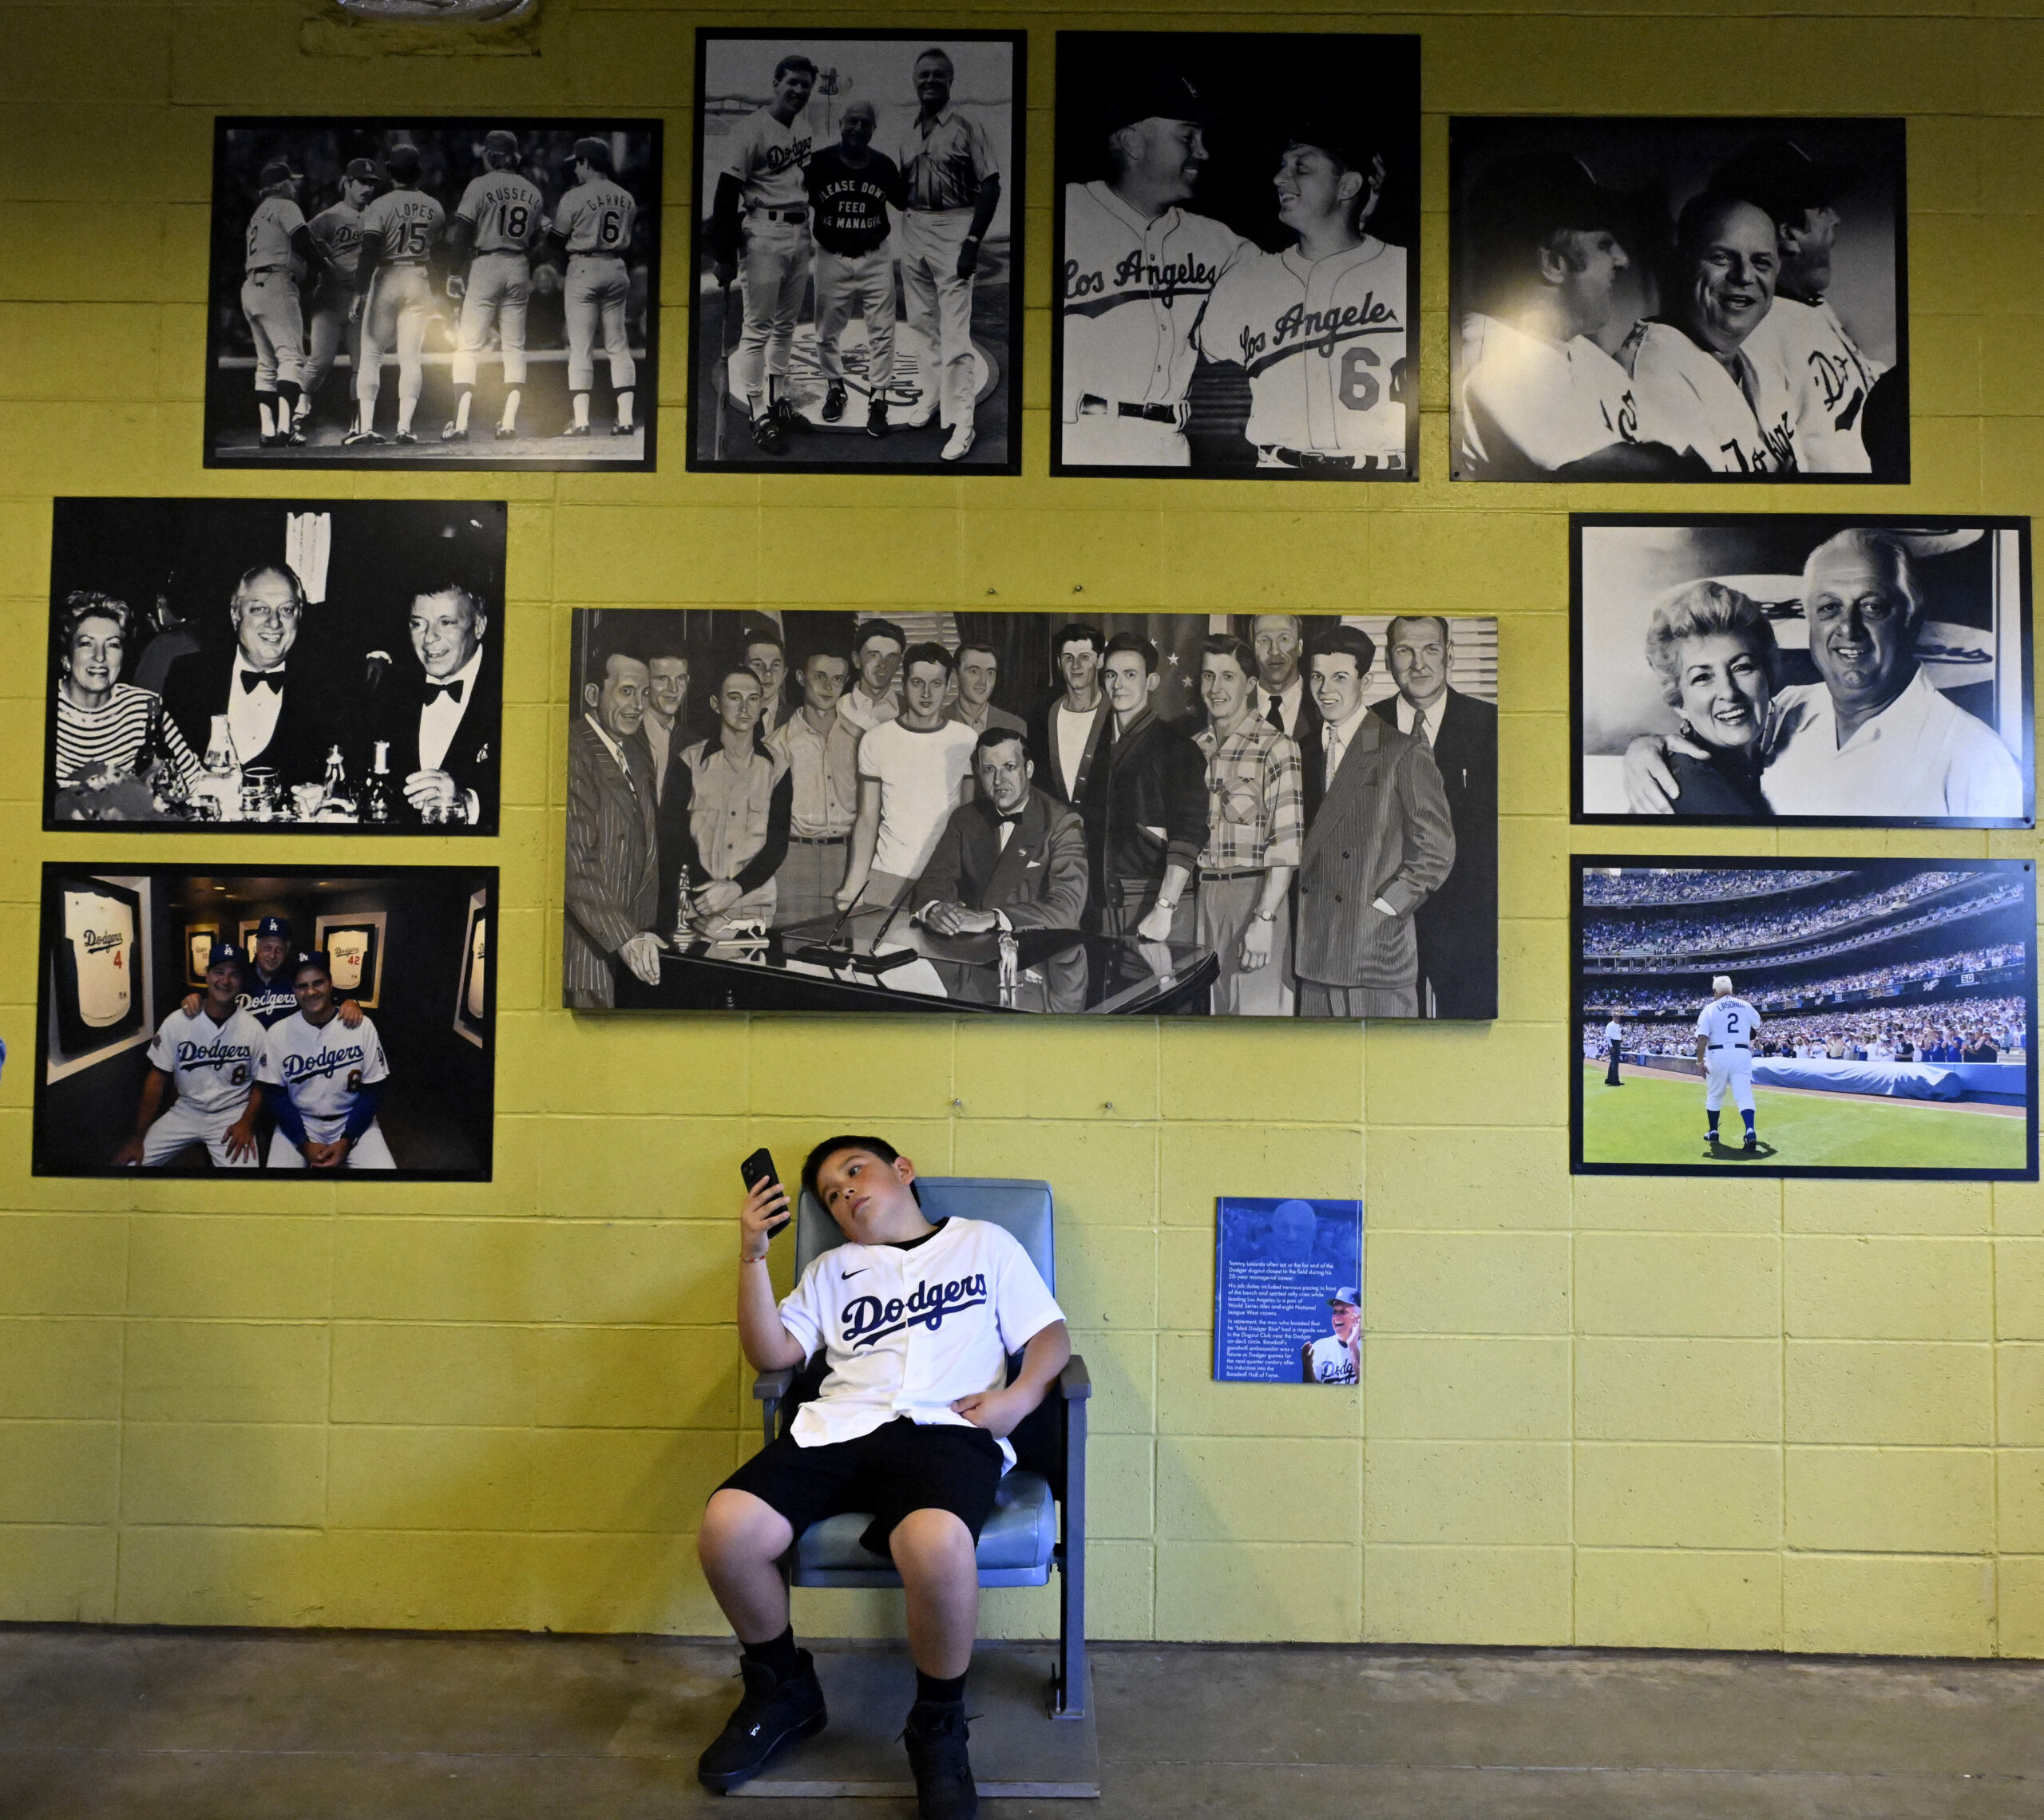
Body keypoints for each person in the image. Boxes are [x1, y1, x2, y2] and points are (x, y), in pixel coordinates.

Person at [696, 1135, 1069, 1815]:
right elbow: (771, 1351)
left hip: (946, 1430)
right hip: (838, 1426)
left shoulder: (984, 1244)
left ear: (903, 1170)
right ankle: (782, 1690)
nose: (846, 1194)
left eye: (855, 1172)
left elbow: (1050, 1338)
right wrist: (753, 1254)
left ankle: (937, 1726)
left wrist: (1016, 1400)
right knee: (727, 1529)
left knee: (934, 1544)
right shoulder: (832, 1270)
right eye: (832, 1195)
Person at [1626, 531, 2026, 819]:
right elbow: (1708, 729)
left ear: (1911, 619)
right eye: (1829, 608)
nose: (1848, 630)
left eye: (1872, 607)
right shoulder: (1785, 710)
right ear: (1810, 622)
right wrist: (1645, 748)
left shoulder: (1976, 758)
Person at [1458, 153, 1701, 481]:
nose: (1623, 259)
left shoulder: (1578, 352)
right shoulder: (1494, 357)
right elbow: (1619, 474)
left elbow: (1689, 454)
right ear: (1554, 265)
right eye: (1604, 245)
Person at [1060, 70, 1257, 466]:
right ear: (1133, 143)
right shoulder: (1067, 214)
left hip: (1168, 445)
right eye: (1187, 137)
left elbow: (1295, 286)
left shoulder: (1219, 243)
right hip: (1075, 438)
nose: (1202, 152)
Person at [1198, 123, 1409, 473]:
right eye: (1283, 165)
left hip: (1387, 472)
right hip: (1279, 471)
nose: (1280, 178)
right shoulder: (1246, 280)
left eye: (1301, 167)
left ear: (1348, 186)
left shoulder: (1403, 270)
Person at [1293, 625, 1455, 1018]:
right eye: (1317, 677)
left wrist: (1385, 909)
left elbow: (1436, 850)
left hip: (1374, 955)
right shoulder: (1301, 752)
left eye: (1339, 678)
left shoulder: (1402, 751)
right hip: (1314, 956)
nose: (1325, 690)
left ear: (1365, 680)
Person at [1709, 136, 1888, 476]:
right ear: (1789, 235)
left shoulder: (1807, 310)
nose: (1836, 219)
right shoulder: (1758, 332)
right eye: (1822, 208)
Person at [1369, 616, 1499, 1017]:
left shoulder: (1491, 724)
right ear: (1389, 659)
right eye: (1405, 651)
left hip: (1468, 922)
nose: (1418, 664)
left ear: (1450, 655)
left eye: (1431, 650)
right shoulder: (1365, 727)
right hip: (1384, 917)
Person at [1618, 193, 1800, 475]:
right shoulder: (1653, 370)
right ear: (1682, 262)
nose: (1744, 276)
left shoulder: (1759, 361)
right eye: (1721, 258)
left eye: (1761, 262)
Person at [892, 46, 1004, 462]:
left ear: (951, 80)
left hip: (956, 225)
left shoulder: (968, 122)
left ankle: (964, 423)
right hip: (914, 225)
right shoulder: (907, 128)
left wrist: (972, 243)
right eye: (924, 75)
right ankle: (931, 396)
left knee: (956, 333)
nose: (930, 81)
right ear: (915, 80)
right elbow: (900, 185)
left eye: (939, 75)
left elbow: (991, 185)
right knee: (921, 325)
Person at [711, 54, 818, 453]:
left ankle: (778, 401)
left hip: (798, 230)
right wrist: (723, 254)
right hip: (763, 233)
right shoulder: (750, 129)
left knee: (786, 327)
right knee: (757, 329)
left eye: (805, 84)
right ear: (776, 83)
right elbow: (724, 195)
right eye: (792, 82)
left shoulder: (804, 127)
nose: (799, 90)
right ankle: (759, 411)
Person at [1193, 634, 1302, 1015]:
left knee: (1258, 1024)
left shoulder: (1277, 747)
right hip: (1203, 900)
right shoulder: (1194, 748)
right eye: (1208, 677)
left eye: (1228, 677)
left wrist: (1265, 919)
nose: (1216, 688)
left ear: (1251, 685)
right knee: (1207, 1019)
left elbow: (1287, 847)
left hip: (1255, 897)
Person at [161, 563, 333, 789]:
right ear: (235, 614)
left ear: (299, 616)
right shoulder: (189, 676)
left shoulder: (329, 689)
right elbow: (164, 772)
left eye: (286, 610)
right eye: (259, 608)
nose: (274, 622)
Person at [838, 643, 979, 913]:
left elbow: (966, 820)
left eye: (936, 683)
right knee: (878, 953)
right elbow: (868, 818)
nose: (926, 693)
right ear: (904, 683)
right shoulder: (876, 740)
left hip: (941, 880)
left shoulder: (966, 740)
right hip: (886, 876)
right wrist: (853, 885)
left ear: (949, 685)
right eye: (917, 682)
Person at [913, 728, 1089, 934]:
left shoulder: (1063, 823)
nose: (998, 780)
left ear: (1029, 769)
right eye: (989, 769)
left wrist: (993, 918)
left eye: (1009, 767)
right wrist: (934, 909)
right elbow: (933, 881)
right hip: (974, 953)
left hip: (1040, 955)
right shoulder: (965, 818)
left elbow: (1067, 908)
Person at [564, 646, 663, 1008]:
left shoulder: (636, 752)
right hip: (588, 953)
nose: (639, 704)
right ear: (593, 695)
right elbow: (574, 862)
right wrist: (625, 938)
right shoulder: (572, 749)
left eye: (645, 693)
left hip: (633, 947)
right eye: (626, 691)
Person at [1095, 632, 1208, 943]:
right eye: (1111, 675)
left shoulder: (1178, 748)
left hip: (1157, 904)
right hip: (1105, 904)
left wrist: (1163, 909)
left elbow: (1189, 833)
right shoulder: (1097, 749)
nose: (1119, 684)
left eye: (1130, 674)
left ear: (1152, 681)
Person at [112, 942, 263, 1169]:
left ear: (242, 981)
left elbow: (262, 1083)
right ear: (207, 975)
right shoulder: (178, 1021)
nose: (225, 980)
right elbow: (157, 1078)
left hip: (231, 1114)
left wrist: (246, 1123)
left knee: (247, 1188)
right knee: (129, 1165)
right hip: (186, 1111)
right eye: (219, 972)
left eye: (234, 974)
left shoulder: (254, 1029)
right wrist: (138, 1137)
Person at [806, 100, 906, 437]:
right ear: (841, 123)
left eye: (866, 123)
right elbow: (788, 197)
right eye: (853, 122)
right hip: (831, 256)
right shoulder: (818, 163)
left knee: (882, 330)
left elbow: (909, 202)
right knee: (825, 331)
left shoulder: (883, 165)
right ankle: (835, 385)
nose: (858, 128)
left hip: (875, 256)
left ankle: (878, 398)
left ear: (874, 129)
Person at [1634, 583, 1777, 816]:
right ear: (1679, 701)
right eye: (1702, 677)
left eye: (1742, 667)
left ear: (1767, 676)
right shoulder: (1689, 786)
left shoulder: (1746, 768)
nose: (1729, 692)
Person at [444, 129, 549, 442]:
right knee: (514, 346)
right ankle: (509, 423)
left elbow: (462, 231)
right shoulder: (532, 190)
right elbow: (544, 234)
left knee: (468, 346)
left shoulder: (479, 185)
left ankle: (460, 425)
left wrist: (453, 272)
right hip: (518, 264)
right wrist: (524, 253)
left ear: (490, 156)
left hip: (485, 263)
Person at [369, 582, 499, 826]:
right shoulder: (388, 689)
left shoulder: (512, 692)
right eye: (418, 624)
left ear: (479, 626)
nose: (429, 638)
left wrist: (467, 803)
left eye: (446, 622)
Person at [676, 665, 794, 933]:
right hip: (697, 904)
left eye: (753, 698)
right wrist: (705, 898)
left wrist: (735, 888)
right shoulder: (689, 761)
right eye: (734, 697)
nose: (745, 708)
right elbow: (675, 839)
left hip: (754, 908)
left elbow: (777, 844)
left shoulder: (778, 767)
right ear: (716, 704)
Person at [52, 592, 200, 801]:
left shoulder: (144, 707)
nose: (100, 657)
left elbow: (196, 784)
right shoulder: (36, 711)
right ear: (66, 657)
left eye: (112, 644)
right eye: (87, 643)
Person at [258, 951, 395, 1169]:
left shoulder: (362, 1026)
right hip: (301, 1121)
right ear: (294, 990)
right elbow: (276, 1096)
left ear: (331, 983)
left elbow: (372, 1091)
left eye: (318, 983)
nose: (311, 991)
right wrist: (303, 1144)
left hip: (351, 1120)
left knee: (387, 1184)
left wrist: (347, 1140)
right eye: (302, 986)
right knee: (277, 1188)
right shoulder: (277, 1033)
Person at [347, 144, 445, 446]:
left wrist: (359, 292)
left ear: (390, 173)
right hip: (419, 277)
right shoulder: (435, 206)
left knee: (372, 356)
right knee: (410, 358)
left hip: (388, 276)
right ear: (417, 172)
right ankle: (405, 427)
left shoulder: (379, 205)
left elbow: (370, 251)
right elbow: (439, 251)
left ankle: (366, 428)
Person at [549, 137, 640, 438]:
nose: (575, 169)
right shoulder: (626, 196)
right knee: (618, 345)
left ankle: (582, 422)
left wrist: (547, 228)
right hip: (616, 266)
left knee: (581, 347)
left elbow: (555, 242)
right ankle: (626, 420)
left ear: (586, 162)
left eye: (577, 163)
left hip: (584, 266)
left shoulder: (574, 196)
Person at [1024, 623, 1113, 910]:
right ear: (1058, 663)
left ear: (1099, 661)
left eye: (1085, 657)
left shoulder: (1117, 715)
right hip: (1054, 855)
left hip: (1106, 859)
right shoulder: (1040, 715)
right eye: (1068, 658)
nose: (1076, 666)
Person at [769, 651, 862, 928]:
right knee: (795, 952)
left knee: (846, 952)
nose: (828, 687)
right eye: (819, 677)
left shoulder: (861, 740)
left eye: (837, 679)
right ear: (800, 678)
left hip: (848, 858)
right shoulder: (776, 744)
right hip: (795, 860)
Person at [296, 160, 378, 438]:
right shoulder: (329, 217)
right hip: (330, 298)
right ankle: (298, 413)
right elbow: (300, 242)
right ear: (347, 183)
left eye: (372, 183)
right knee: (319, 362)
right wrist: (322, 265)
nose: (368, 188)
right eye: (363, 182)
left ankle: (358, 425)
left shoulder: (376, 216)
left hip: (361, 298)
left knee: (362, 364)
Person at [240, 160, 311, 448]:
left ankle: (267, 431)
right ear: (282, 185)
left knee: (267, 364)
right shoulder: (285, 205)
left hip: (250, 287)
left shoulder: (258, 214)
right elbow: (303, 242)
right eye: (291, 181)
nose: (294, 186)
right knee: (291, 358)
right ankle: (285, 429)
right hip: (275, 283)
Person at [629, 641, 696, 935]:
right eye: (662, 679)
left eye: (680, 679)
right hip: (627, 884)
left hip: (674, 888)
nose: (673, 689)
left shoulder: (695, 743)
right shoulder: (624, 735)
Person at [1695, 974, 1761, 1149]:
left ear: (1714, 992)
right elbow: (1757, 1026)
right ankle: (1750, 1130)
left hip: (1718, 1053)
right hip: (1741, 1053)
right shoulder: (1746, 1005)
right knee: (1744, 1095)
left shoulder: (1709, 1009)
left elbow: (1702, 1038)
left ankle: (1713, 1131)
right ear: (1732, 990)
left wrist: (1700, 1062)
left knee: (1715, 1094)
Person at [838, 619, 906, 734]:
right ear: (856, 659)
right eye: (874, 655)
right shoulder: (838, 707)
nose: (883, 664)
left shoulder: (909, 710)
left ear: (898, 664)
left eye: (891, 657)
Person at [945, 641, 1025, 739]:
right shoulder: (936, 724)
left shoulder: (1015, 726)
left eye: (990, 672)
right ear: (954, 677)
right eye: (974, 671)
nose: (983, 681)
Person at [1302, 1288, 1361, 1386]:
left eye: (1343, 1312)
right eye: (1335, 1312)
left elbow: (1370, 1387)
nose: (1336, 1317)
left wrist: (1352, 1345)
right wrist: (1308, 1369)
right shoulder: (1320, 1348)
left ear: (1359, 1315)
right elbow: (1310, 1394)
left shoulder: (1371, 1347)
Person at [743, 627, 794, 738]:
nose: (768, 673)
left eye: (775, 666)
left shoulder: (797, 719)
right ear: (742, 670)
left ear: (784, 673)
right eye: (758, 665)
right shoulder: (726, 716)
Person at [1603, 1014, 1625, 1086]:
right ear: (1613, 1017)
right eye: (1616, 1017)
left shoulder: (1617, 1025)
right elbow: (1608, 1037)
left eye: (1619, 1017)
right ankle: (1615, 1081)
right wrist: (1611, 1046)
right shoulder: (1610, 1025)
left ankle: (1609, 1079)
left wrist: (1620, 1039)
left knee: (1613, 1062)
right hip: (1613, 1043)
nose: (1618, 1018)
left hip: (1617, 1043)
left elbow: (1616, 1034)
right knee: (1615, 1063)